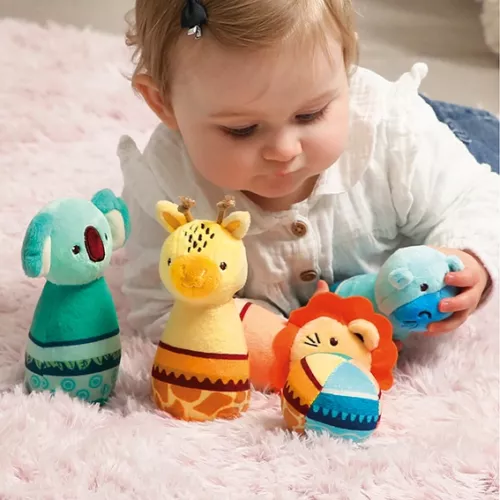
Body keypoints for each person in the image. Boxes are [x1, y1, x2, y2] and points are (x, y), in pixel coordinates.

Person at [118, 0, 499, 349]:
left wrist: (467, 258)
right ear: (162, 103)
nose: (284, 150)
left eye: (310, 114)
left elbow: (474, 198)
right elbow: (160, 307)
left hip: (462, 134)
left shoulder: (391, 131)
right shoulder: (166, 189)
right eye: (243, 129)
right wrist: (281, 337)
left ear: (345, 63)